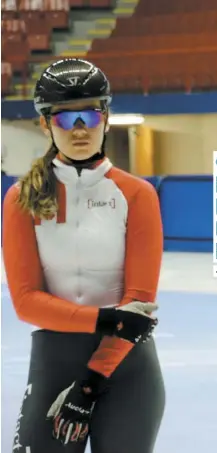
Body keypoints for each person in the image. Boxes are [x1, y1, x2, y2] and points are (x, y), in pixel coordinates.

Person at [2, 58, 166, 453]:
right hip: (54, 362)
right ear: (45, 124)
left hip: (127, 369)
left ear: (106, 119)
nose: (79, 130)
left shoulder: (137, 195)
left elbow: (137, 308)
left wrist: (91, 385)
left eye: (90, 117)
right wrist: (107, 319)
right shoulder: (21, 198)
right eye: (65, 119)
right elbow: (26, 303)